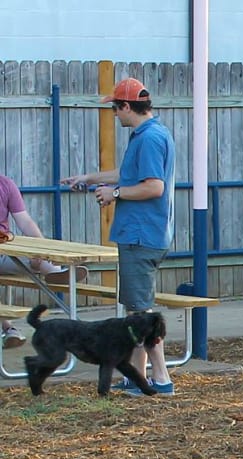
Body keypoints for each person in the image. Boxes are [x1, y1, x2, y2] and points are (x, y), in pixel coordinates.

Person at [62, 77, 177, 395]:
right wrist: (88, 177)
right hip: (142, 234)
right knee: (135, 311)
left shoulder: (149, 139)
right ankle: (137, 378)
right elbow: (127, 174)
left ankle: (162, 380)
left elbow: (154, 186)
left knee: (141, 315)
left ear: (127, 106)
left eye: (115, 107)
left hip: (142, 236)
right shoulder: (148, 135)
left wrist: (115, 193)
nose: (114, 113)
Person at [0, 173, 90, 348]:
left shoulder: (6, 184)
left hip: (5, 249)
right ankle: (8, 328)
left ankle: (54, 271)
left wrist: (41, 249)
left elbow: (24, 221)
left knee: (35, 258)